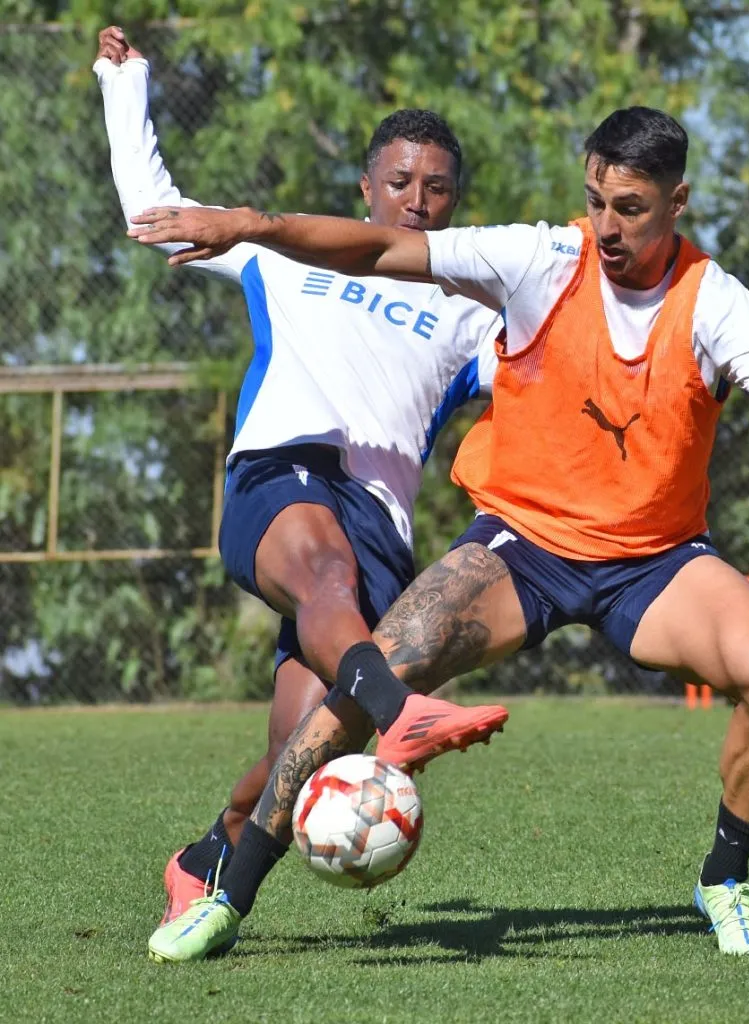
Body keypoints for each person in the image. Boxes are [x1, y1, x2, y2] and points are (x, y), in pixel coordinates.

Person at [133, 105, 749, 960]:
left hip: (652, 562)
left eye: (629, 207)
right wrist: (251, 226)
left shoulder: (712, 298)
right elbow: (378, 248)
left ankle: (725, 881)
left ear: (677, 201)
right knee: (381, 668)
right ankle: (228, 895)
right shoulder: (543, 258)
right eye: (595, 201)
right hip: (522, 547)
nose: (606, 226)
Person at [93, 26, 510, 931]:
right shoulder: (287, 254)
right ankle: (401, 712)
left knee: (302, 754)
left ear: (455, 202)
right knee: (322, 573)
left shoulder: (474, 312)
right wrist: (125, 86)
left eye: (436, 188)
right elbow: (149, 210)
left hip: (381, 525)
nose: (417, 202)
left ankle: (208, 855)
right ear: (366, 188)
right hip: (282, 472)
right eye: (399, 182)